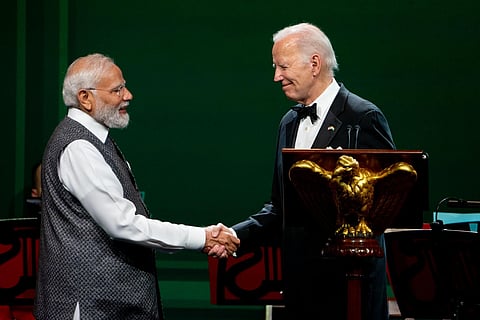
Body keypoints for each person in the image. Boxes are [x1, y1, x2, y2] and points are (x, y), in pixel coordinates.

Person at [34, 53, 239, 320]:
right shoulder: (79, 147)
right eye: (117, 89)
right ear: (85, 98)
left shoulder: (93, 140)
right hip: (92, 306)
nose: (128, 95)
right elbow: (122, 224)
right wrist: (202, 238)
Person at [215, 23, 395, 319]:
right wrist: (234, 235)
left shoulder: (363, 117)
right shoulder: (289, 122)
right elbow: (281, 207)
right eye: (275, 67)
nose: (276, 77)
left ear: (314, 63)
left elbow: (384, 209)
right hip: (301, 287)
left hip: (350, 288)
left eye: (282, 66)